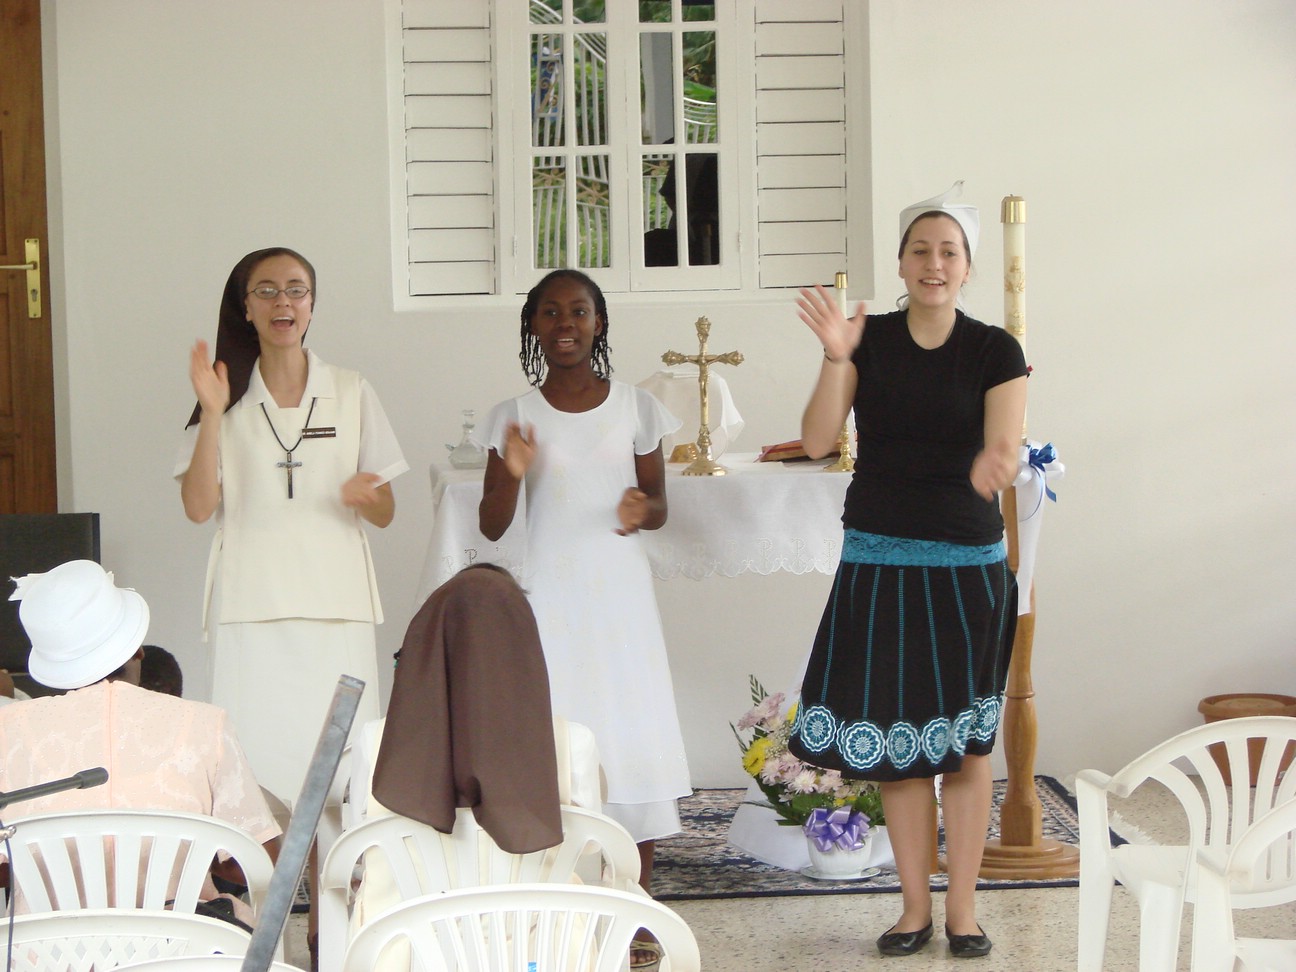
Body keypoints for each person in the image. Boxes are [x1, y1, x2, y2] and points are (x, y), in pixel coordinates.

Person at [787, 185, 1028, 959]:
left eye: (949, 251)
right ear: (900, 263)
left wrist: (997, 463)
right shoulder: (869, 340)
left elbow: (1006, 441)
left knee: (967, 747)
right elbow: (817, 439)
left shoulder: (995, 350)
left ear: (968, 267)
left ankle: (964, 912)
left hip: (966, 568)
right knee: (898, 746)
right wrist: (836, 355)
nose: (934, 263)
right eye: (920, 250)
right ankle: (913, 910)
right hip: (880, 561)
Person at [477, 269, 690, 965]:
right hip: (551, 599)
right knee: (557, 737)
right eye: (549, 312)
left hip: (619, 598)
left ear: (598, 323)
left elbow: (658, 505)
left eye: (578, 311)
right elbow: (492, 523)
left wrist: (641, 509)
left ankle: (636, 907)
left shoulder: (636, 408)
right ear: (532, 327)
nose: (564, 323)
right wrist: (513, 469)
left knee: (630, 732)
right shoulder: (514, 413)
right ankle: (559, 903)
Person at [175, 246, 408, 803]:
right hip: (250, 606)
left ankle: (337, 864)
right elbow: (199, 508)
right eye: (267, 291)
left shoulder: (351, 389)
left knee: (342, 770)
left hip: (337, 604)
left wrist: (367, 495)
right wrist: (213, 414)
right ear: (246, 308)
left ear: (311, 304)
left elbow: (386, 512)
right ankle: (263, 864)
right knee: (253, 767)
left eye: (296, 290)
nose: (283, 302)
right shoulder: (223, 398)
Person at [0, 559, 280, 918]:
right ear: (137, 649)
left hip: (45, 946)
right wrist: (196, 848)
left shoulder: (8, 728)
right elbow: (258, 860)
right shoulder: (205, 722)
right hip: (183, 942)